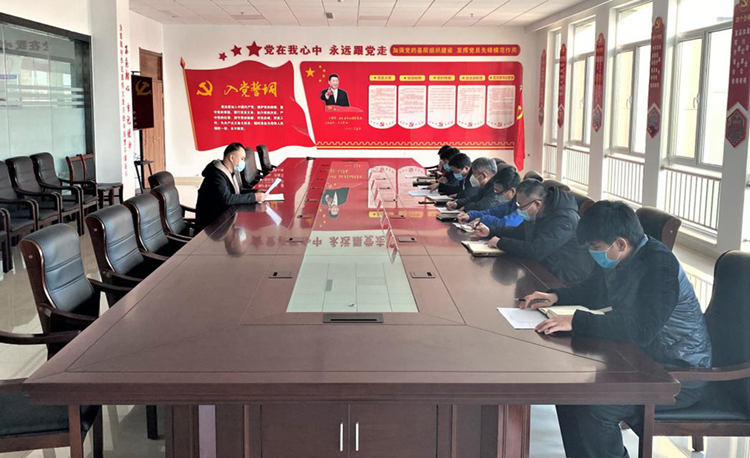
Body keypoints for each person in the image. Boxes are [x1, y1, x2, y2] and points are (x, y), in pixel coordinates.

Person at [522, 201, 712, 458]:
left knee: (595, 405)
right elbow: (594, 290)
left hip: (677, 372)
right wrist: (556, 296)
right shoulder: (620, 257)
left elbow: (642, 330)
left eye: (595, 247)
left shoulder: (660, 267)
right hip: (642, 360)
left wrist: (577, 321)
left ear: (620, 244)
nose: (592, 253)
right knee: (568, 392)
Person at [475, 179, 593, 284]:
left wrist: (500, 242)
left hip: (565, 275)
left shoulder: (564, 220)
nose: (519, 210)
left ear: (536, 204)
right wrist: (491, 231)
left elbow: (537, 250)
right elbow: (519, 232)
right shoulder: (539, 211)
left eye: (521, 206)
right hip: (545, 264)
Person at [195, 143, 265, 228]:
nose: (243, 162)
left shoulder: (229, 171)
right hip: (212, 224)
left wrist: (255, 192)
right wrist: (254, 197)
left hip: (225, 217)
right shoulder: (216, 174)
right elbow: (227, 198)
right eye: (242, 159)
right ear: (231, 158)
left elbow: (237, 191)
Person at [457, 166, 523, 229]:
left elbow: (505, 223)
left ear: (512, 191)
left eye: (498, 191)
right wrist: (470, 215)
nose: (496, 195)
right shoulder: (510, 203)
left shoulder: (524, 206)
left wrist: (483, 219)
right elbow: (492, 212)